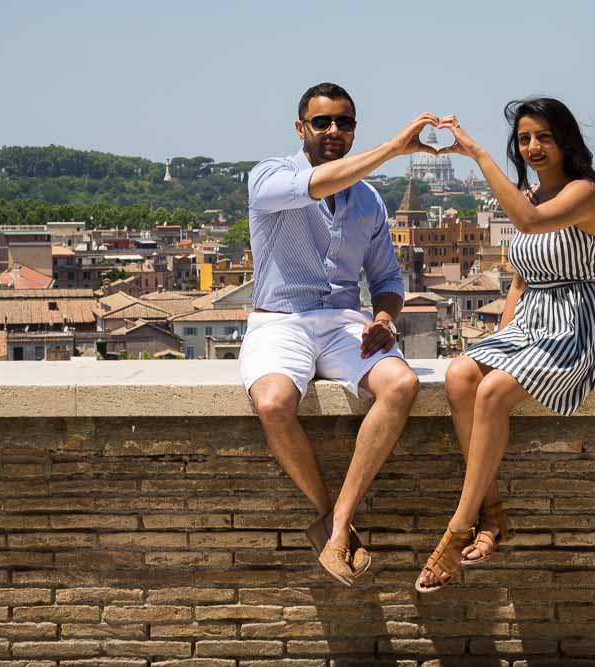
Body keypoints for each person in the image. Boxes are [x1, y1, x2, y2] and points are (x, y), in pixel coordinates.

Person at [415, 98, 595, 592]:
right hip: (532, 321)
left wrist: (478, 155)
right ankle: (492, 512)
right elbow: (519, 281)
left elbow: (529, 225)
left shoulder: (583, 193)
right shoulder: (527, 193)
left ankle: (462, 526)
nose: (532, 147)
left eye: (543, 137)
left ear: (565, 141)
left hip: (578, 324)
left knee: (492, 394)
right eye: (525, 139)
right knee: (461, 374)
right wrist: (502, 337)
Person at [241, 82, 438, 586]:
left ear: (354, 128)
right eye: (322, 122)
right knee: (272, 403)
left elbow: (388, 280)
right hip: (280, 319)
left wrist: (386, 319)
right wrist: (394, 149)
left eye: (344, 123)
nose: (333, 131)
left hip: (345, 324)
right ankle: (333, 520)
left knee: (402, 385)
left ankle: (338, 526)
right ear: (300, 127)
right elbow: (317, 185)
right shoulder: (269, 176)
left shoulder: (369, 201)